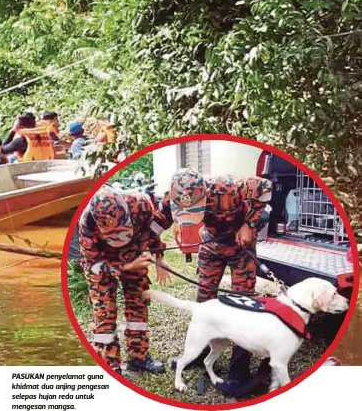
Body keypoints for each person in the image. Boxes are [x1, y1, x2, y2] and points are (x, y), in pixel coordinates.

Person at [157, 168, 273, 397]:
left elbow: (266, 192)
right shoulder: (173, 196)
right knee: (204, 302)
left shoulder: (229, 186)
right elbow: (157, 224)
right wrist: (157, 254)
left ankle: (239, 370)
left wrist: (249, 223)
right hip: (211, 248)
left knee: (243, 305)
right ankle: (199, 355)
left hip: (241, 249)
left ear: (205, 192)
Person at [78, 184, 172, 374]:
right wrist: (127, 267)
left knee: (138, 302)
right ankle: (111, 366)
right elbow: (95, 266)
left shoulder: (141, 204)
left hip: (132, 253)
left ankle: (138, 357)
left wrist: (158, 255)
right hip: (103, 261)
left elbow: (152, 229)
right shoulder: (87, 223)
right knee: (104, 313)